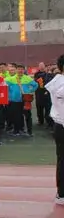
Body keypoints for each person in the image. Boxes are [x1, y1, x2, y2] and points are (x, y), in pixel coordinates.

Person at [43, 54, 64, 207]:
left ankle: (61, 193)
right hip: (62, 124)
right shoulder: (60, 84)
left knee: (61, 160)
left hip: (59, 125)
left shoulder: (56, 81)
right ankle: (62, 193)